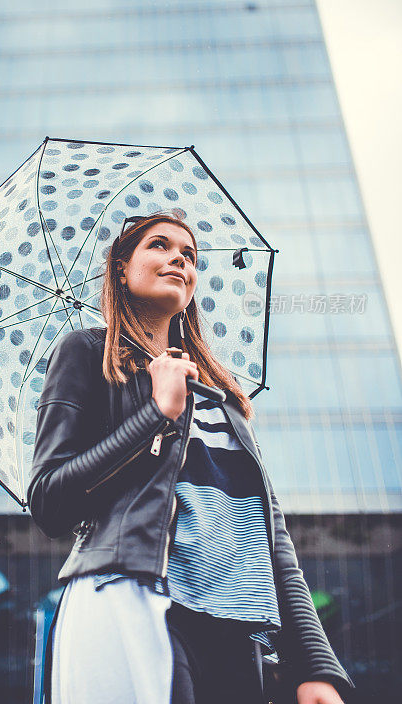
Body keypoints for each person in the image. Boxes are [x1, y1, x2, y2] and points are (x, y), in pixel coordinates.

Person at [28, 212, 355, 704]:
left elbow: (272, 537)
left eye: (190, 254)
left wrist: (314, 663)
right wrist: (155, 414)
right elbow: (50, 500)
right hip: (130, 595)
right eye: (159, 245)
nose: (179, 257)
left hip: (237, 626)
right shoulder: (85, 353)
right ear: (121, 268)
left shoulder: (224, 397)